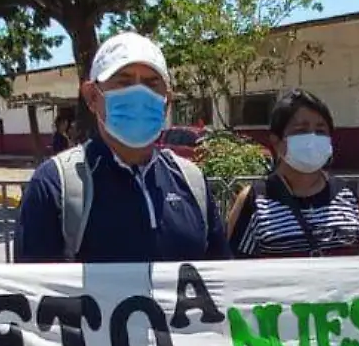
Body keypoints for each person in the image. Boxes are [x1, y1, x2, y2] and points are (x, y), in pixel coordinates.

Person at [14, 32, 227, 263]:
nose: (139, 93)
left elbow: (223, 286)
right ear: (92, 97)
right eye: (124, 82)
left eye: (151, 83)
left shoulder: (192, 182)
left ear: (166, 102)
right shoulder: (54, 185)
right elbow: (33, 291)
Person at [227, 89, 359, 258]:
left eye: (321, 131)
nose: (312, 138)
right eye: (301, 131)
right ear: (277, 142)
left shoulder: (346, 195)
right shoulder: (254, 201)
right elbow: (233, 268)